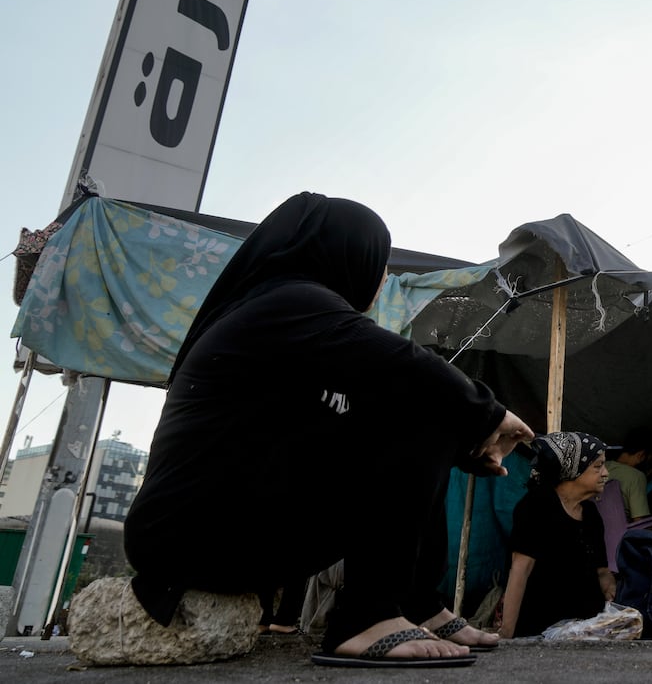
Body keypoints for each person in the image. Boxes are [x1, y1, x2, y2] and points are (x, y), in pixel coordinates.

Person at [124, 193, 533, 669]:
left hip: (220, 524)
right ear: (341, 253)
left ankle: (416, 601)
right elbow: (408, 369)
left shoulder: (295, 325)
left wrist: (458, 447)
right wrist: (488, 414)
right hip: (188, 538)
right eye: (379, 263)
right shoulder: (289, 301)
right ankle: (366, 617)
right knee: (421, 405)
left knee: (419, 414)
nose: (381, 278)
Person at [500, 432, 615, 637]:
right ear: (572, 470)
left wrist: (610, 591)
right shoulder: (536, 507)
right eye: (598, 466)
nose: (605, 473)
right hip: (541, 628)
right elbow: (520, 570)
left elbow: (601, 570)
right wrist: (507, 634)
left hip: (586, 630)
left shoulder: (590, 514)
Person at [606, 428, 652, 521]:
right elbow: (639, 522)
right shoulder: (636, 476)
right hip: (617, 531)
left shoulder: (602, 466)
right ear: (641, 455)